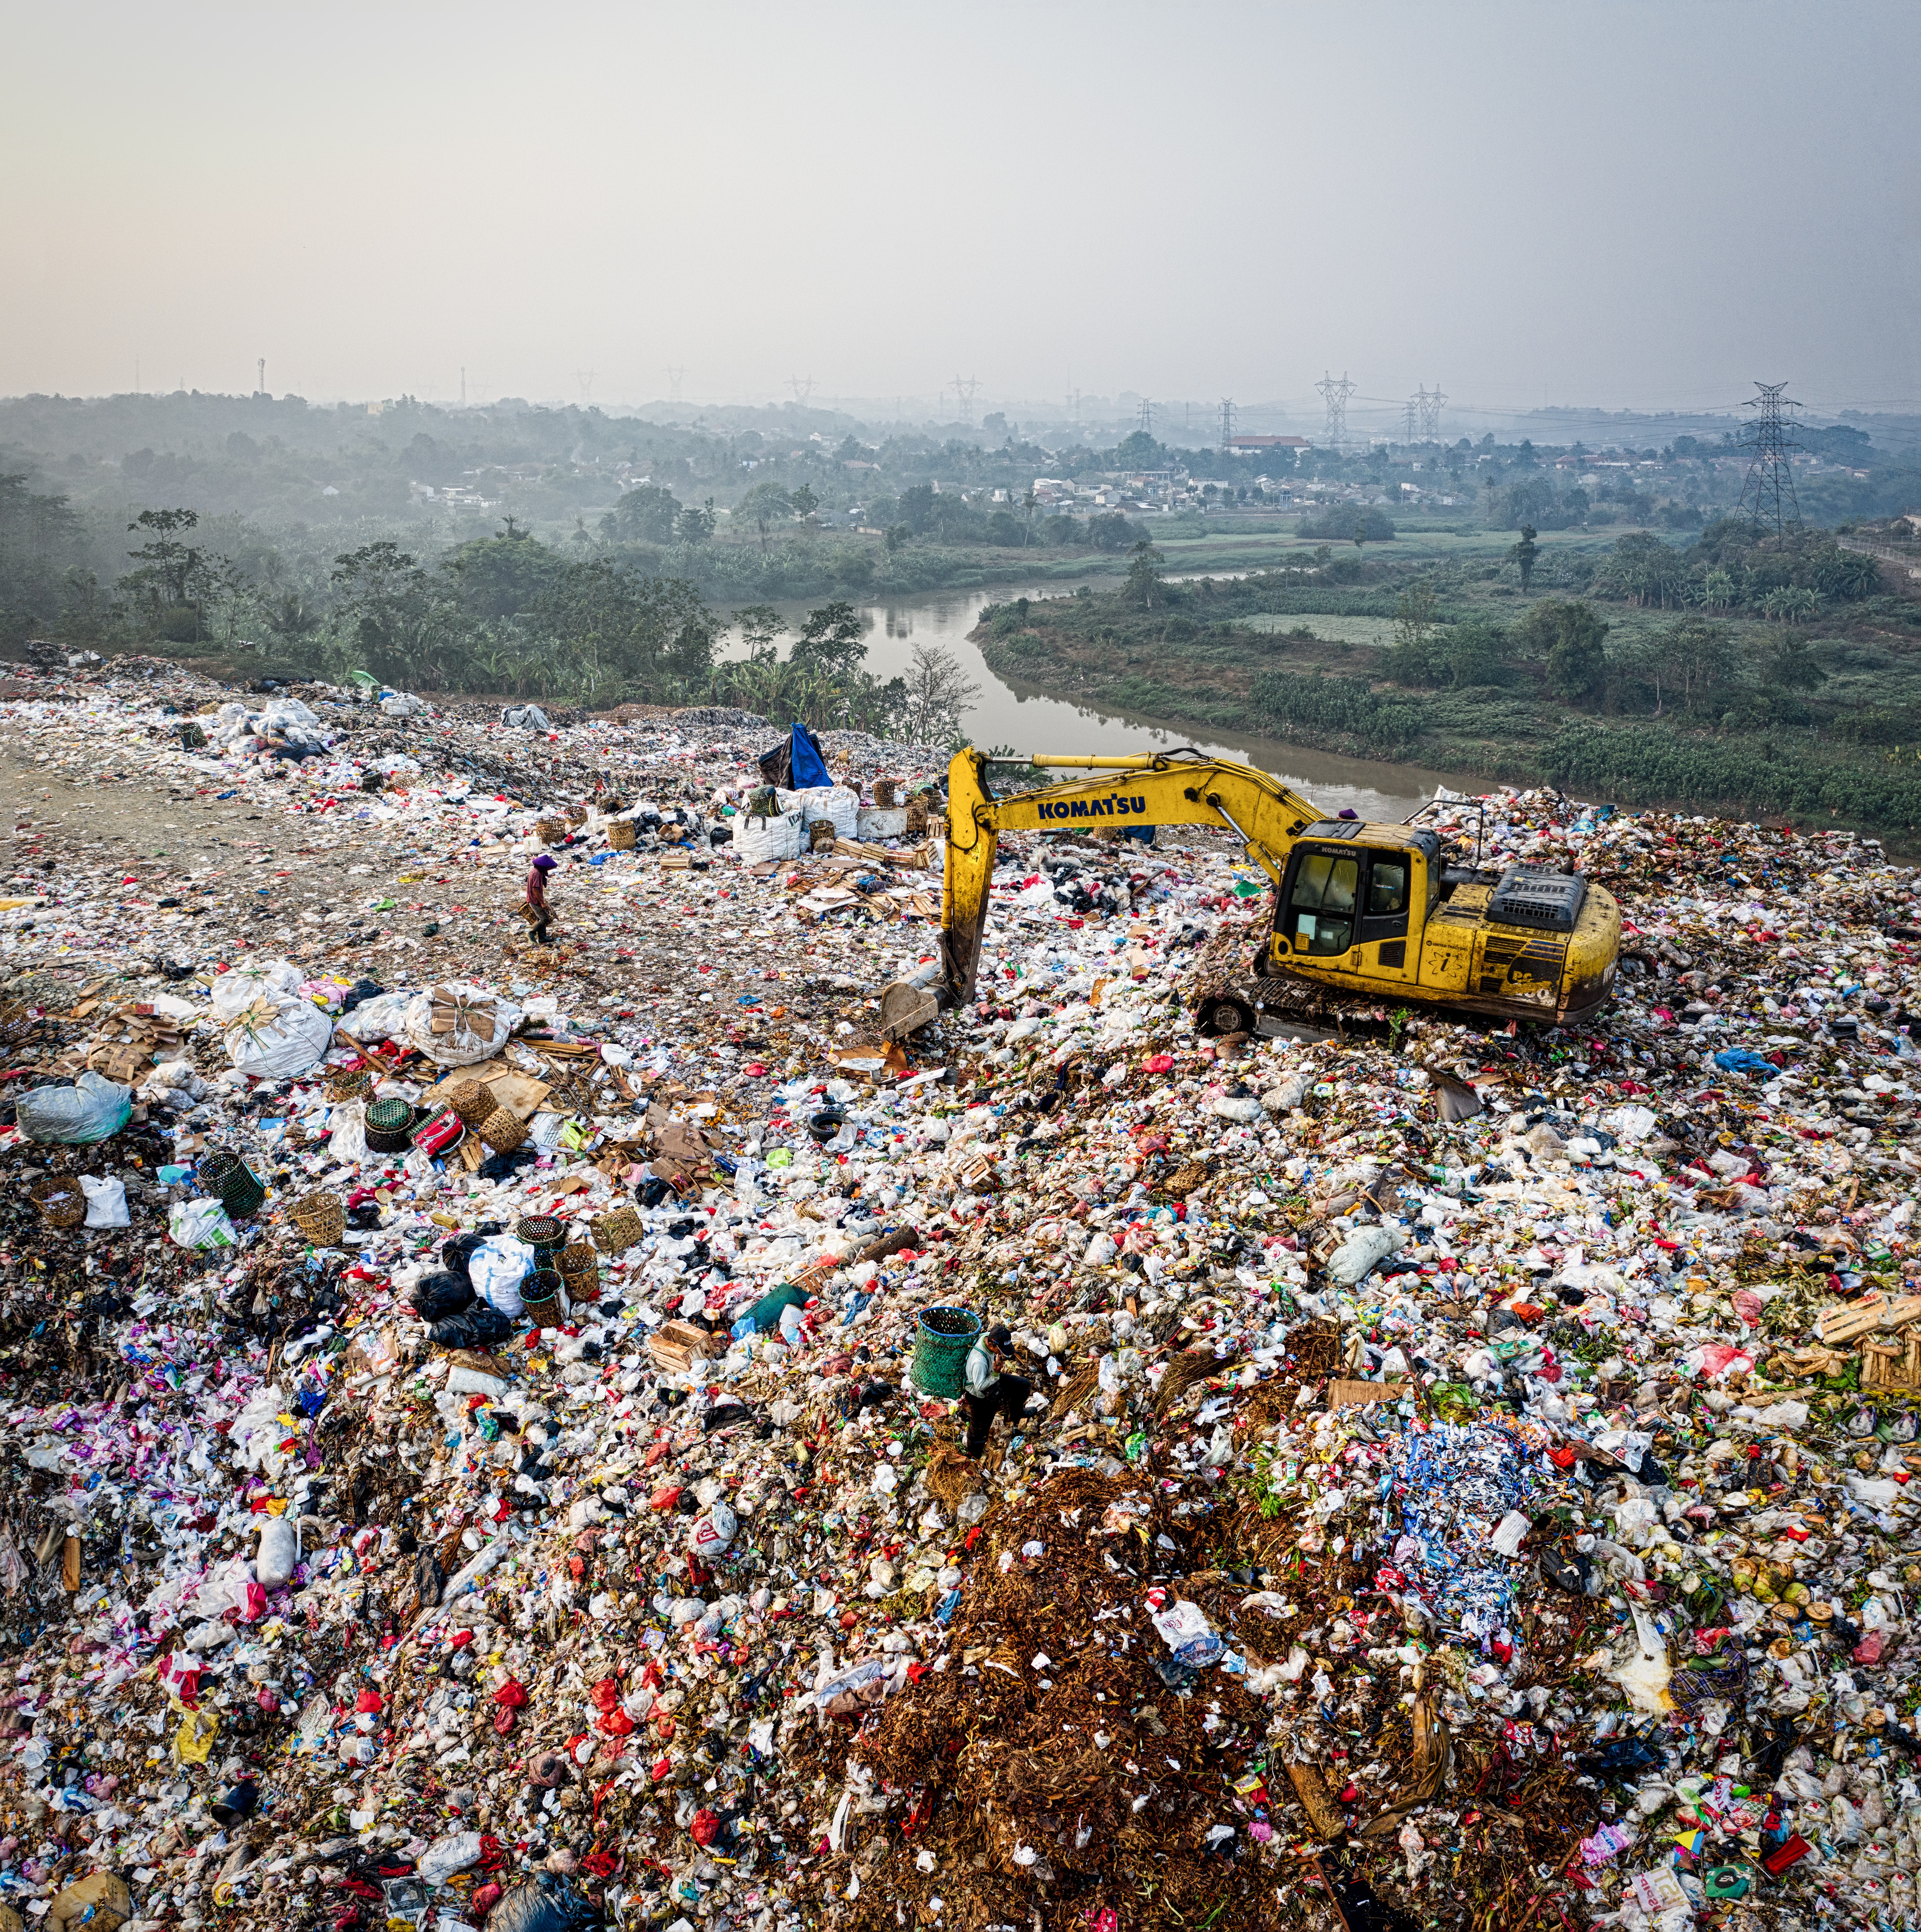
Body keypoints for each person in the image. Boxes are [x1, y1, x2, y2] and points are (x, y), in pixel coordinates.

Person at [958, 1323, 1035, 1459]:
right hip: (979, 1394)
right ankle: (974, 1454)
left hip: (992, 1376)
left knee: (1023, 1385)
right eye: (1000, 1350)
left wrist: (995, 1372)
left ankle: (1016, 1415)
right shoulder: (979, 1362)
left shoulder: (985, 1337)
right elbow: (980, 1386)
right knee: (980, 1429)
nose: (1001, 1353)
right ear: (992, 1345)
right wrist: (995, 1373)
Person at [523, 853, 558, 945]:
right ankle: (531, 933)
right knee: (544, 919)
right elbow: (535, 890)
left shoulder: (535, 870)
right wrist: (542, 902)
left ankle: (543, 938)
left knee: (540, 918)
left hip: (535, 899)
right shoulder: (537, 874)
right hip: (535, 900)